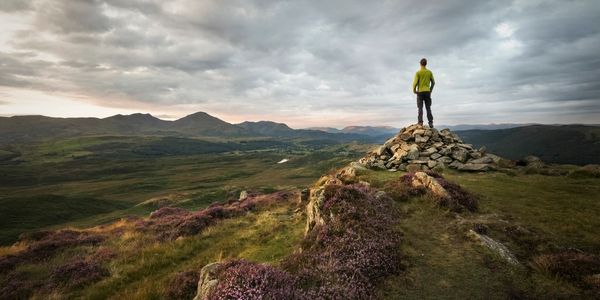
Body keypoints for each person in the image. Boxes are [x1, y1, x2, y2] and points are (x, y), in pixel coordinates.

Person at [412, 58, 435, 128]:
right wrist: (430, 89)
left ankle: (420, 123)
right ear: (426, 64)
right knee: (428, 108)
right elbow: (433, 82)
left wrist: (414, 90)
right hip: (427, 92)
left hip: (420, 92)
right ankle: (430, 123)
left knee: (420, 108)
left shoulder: (418, 73)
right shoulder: (429, 72)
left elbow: (415, 83)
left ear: (420, 64)